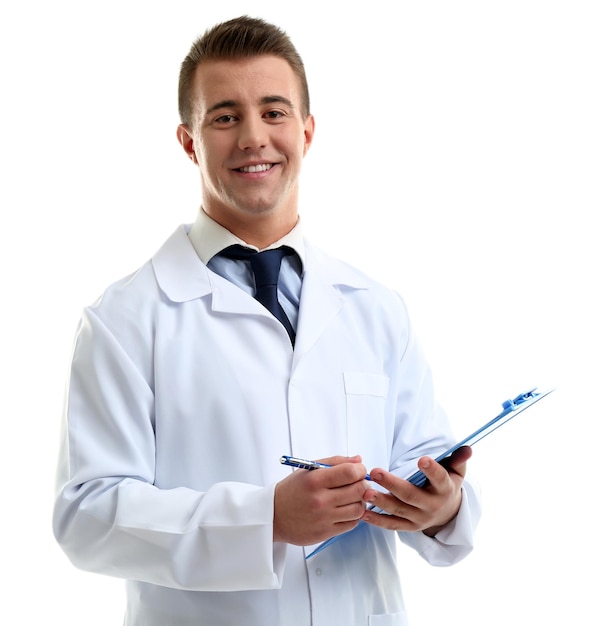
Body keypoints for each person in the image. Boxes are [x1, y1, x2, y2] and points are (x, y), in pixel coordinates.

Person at [52, 15, 481, 626]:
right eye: (225, 116)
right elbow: (86, 516)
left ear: (307, 132)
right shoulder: (125, 319)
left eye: (274, 112)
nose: (254, 137)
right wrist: (265, 521)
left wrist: (442, 505)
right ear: (189, 142)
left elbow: (423, 459)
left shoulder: (376, 307)